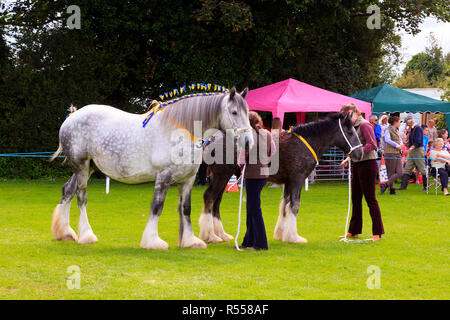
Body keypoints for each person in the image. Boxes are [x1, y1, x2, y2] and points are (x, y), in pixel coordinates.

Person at [338, 103, 384, 241]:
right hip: (357, 165)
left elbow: (372, 145)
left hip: (368, 165)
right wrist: (349, 158)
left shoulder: (364, 125)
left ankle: (377, 233)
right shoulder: (354, 126)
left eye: (346, 116)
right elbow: (356, 148)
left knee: (371, 200)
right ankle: (354, 231)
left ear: (352, 112)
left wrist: (356, 153)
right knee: (356, 199)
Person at [238, 111, 276, 250]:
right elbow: (273, 151)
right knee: (251, 208)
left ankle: (260, 243)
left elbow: (242, 157)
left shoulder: (248, 136)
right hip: (263, 174)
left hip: (252, 175)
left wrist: (241, 166)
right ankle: (248, 241)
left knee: (254, 209)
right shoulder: (267, 133)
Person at [398, 115, 428, 191]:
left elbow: (418, 142)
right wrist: (406, 143)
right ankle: (403, 187)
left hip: (418, 150)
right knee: (407, 168)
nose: (406, 124)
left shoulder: (418, 128)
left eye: (406, 123)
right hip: (413, 150)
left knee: (422, 169)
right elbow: (412, 141)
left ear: (410, 121)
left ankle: (425, 187)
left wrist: (409, 149)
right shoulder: (412, 129)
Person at [380, 116, 403, 195]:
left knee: (400, 172)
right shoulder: (388, 129)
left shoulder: (396, 130)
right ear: (395, 122)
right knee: (391, 172)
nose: (400, 123)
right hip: (390, 153)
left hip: (397, 153)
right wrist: (397, 145)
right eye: (399, 121)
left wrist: (401, 144)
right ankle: (392, 190)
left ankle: (385, 184)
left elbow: (400, 139)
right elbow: (387, 139)